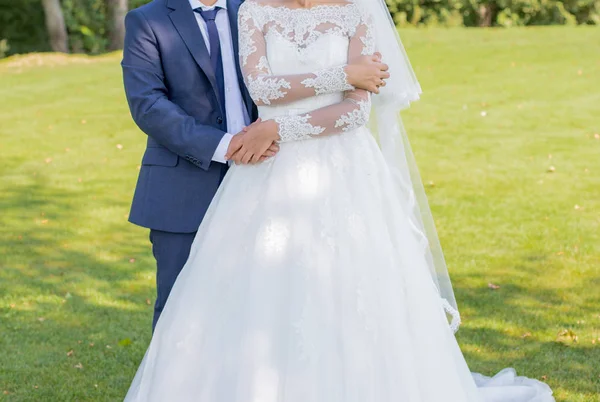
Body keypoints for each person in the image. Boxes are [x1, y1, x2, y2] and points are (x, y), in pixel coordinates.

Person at [124, 0, 556, 400]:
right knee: (220, 294)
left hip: (341, 172)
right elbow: (258, 91)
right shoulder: (242, 11)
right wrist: (344, 75)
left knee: (350, 285)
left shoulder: (351, 13)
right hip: (255, 174)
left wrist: (281, 128)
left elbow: (355, 111)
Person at [122, 0, 390, 330]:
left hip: (273, 174)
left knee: (269, 302)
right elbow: (148, 105)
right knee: (181, 308)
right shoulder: (148, 21)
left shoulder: (252, 7)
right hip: (187, 185)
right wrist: (226, 146)